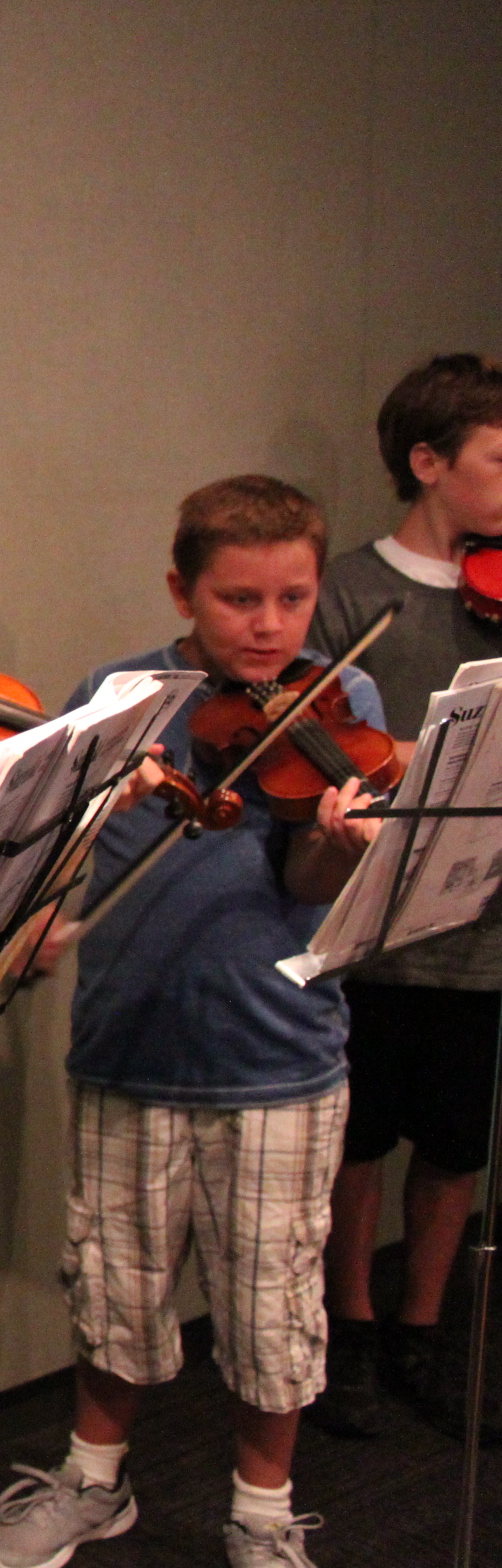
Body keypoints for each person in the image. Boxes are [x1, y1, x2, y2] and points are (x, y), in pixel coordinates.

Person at [0, 475, 384, 1568]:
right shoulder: (120, 694)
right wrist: (78, 837)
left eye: (292, 599)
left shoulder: (349, 700)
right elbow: (45, 848)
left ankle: (261, 1512)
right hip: (130, 1045)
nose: (268, 626)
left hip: (281, 1056)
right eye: (240, 598)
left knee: (272, 1304)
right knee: (113, 1285)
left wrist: (338, 847)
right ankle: (94, 1480)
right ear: (183, 589)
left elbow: (306, 875)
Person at [307, 353, 502, 1444]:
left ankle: (424, 1329)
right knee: (360, 1140)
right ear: (430, 464)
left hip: (486, 917)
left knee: (459, 1142)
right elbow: (318, 735)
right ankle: (353, 1320)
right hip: (377, 916)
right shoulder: (347, 591)